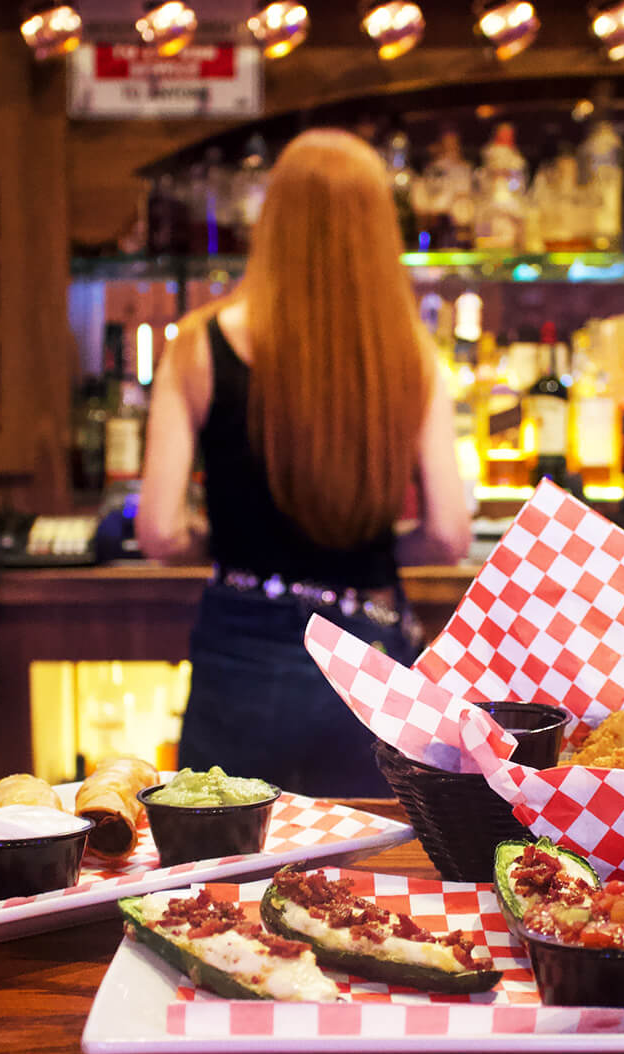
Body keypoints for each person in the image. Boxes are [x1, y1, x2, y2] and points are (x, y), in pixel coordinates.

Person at [136, 129, 472, 796]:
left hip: (241, 651)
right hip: (367, 659)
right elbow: (450, 535)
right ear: (379, 228)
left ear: (273, 219)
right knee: (368, 864)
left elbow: (160, 533)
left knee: (222, 861)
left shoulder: (200, 345)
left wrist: (234, 543)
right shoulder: (412, 354)